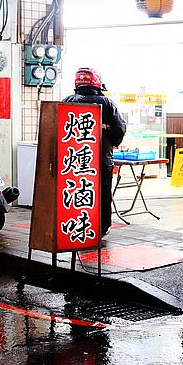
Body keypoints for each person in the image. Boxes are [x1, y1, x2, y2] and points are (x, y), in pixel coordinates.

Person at [62, 68, 127, 238]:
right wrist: (111, 141)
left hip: (73, 163)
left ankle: (75, 226)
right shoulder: (107, 103)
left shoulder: (67, 101)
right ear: (97, 83)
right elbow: (120, 128)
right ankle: (102, 227)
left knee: (76, 191)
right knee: (103, 194)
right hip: (102, 160)